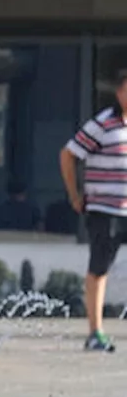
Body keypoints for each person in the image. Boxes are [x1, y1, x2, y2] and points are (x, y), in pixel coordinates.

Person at [60, 72, 127, 352]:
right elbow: (68, 154)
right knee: (99, 268)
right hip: (104, 209)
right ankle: (95, 332)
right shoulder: (102, 124)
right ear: (120, 92)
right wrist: (74, 194)